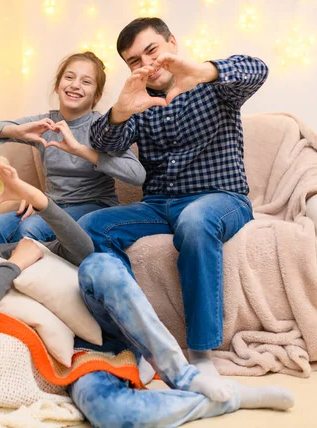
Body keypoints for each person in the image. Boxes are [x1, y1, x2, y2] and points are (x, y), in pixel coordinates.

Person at [0, 157, 294, 427]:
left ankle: (184, 374)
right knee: (109, 414)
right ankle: (225, 401)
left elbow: (82, 248)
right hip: (78, 357)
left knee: (99, 264)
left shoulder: (3, 246)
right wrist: (14, 266)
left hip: (106, 319)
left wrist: (37, 198)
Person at [79, 17, 269, 377]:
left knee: (195, 221)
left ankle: (200, 356)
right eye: (135, 61)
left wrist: (203, 71)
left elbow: (258, 69)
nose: (146, 64)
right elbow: (103, 145)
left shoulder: (213, 83)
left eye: (151, 50)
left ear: (172, 43)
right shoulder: (141, 102)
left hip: (221, 198)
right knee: (91, 226)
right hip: (159, 205)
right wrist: (120, 111)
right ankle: (135, 341)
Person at [0, 51, 146, 247]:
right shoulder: (45, 124)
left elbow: (137, 175)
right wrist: (17, 131)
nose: (75, 85)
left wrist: (81, 150)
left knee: (30, 228)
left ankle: (16, 272)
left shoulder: (103, 127)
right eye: (69, 77)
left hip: (93, 207)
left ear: (97, 94)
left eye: (86, 82)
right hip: (51, 205)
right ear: (58, 85)